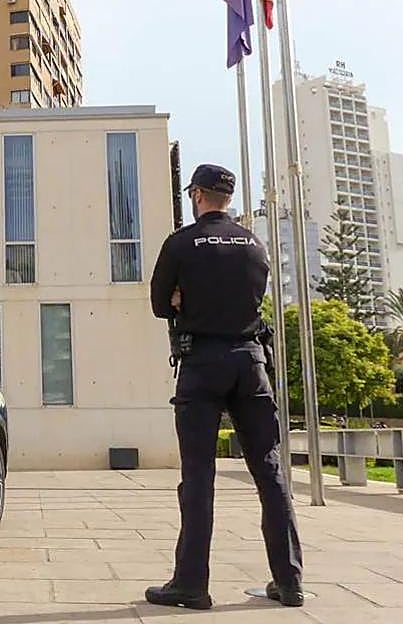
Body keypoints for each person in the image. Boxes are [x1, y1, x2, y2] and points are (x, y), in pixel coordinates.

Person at [144, 163, 303, 610]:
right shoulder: (254, 245)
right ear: (227, 198)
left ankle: (191, 585)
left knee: (198, 476)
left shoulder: (181, 243)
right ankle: (289, 581)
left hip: (202, 363)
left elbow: (159, 304)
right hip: (251, 363)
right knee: (270, 472)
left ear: (196, 195)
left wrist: (181, 298)